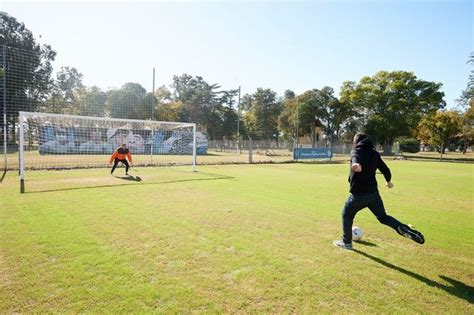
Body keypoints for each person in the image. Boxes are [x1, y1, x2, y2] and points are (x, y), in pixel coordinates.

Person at [333, 133, 425, 250]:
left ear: (356, 143)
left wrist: (356, 164)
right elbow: (385, 170)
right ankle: (402, 227)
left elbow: (355, 158)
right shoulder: (375, 154)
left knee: (346, 214)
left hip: (358, 195)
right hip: (373, 195)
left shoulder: (355, 151)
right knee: (383, 217)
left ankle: (346, 242)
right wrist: (388, 181)